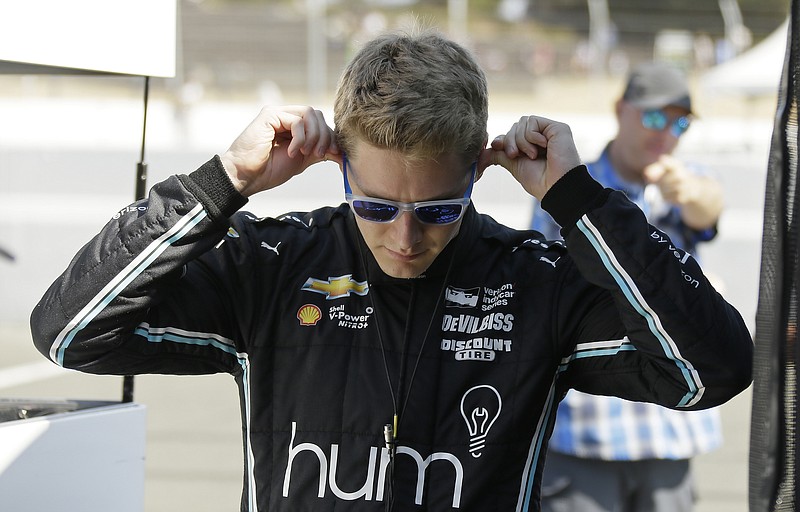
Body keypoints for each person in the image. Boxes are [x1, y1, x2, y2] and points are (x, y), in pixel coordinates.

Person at [30, 32, 752, 512]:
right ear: (338, 165)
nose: (405, 237)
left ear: (478, 168)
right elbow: (70, 333)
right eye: (375, 206)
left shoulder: (534, 281)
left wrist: (581, 201)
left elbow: (712, 369)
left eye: (438, 209)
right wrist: (220, 185)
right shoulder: (274, 265)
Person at [530, 63, 726, 512]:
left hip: (670, 429)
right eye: (655, 117)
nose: (666, 134)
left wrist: (692, 193)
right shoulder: (573, 182)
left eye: (679, 122)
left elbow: (707, 207)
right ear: (621, 110)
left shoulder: (682, 181)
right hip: (587, 428)